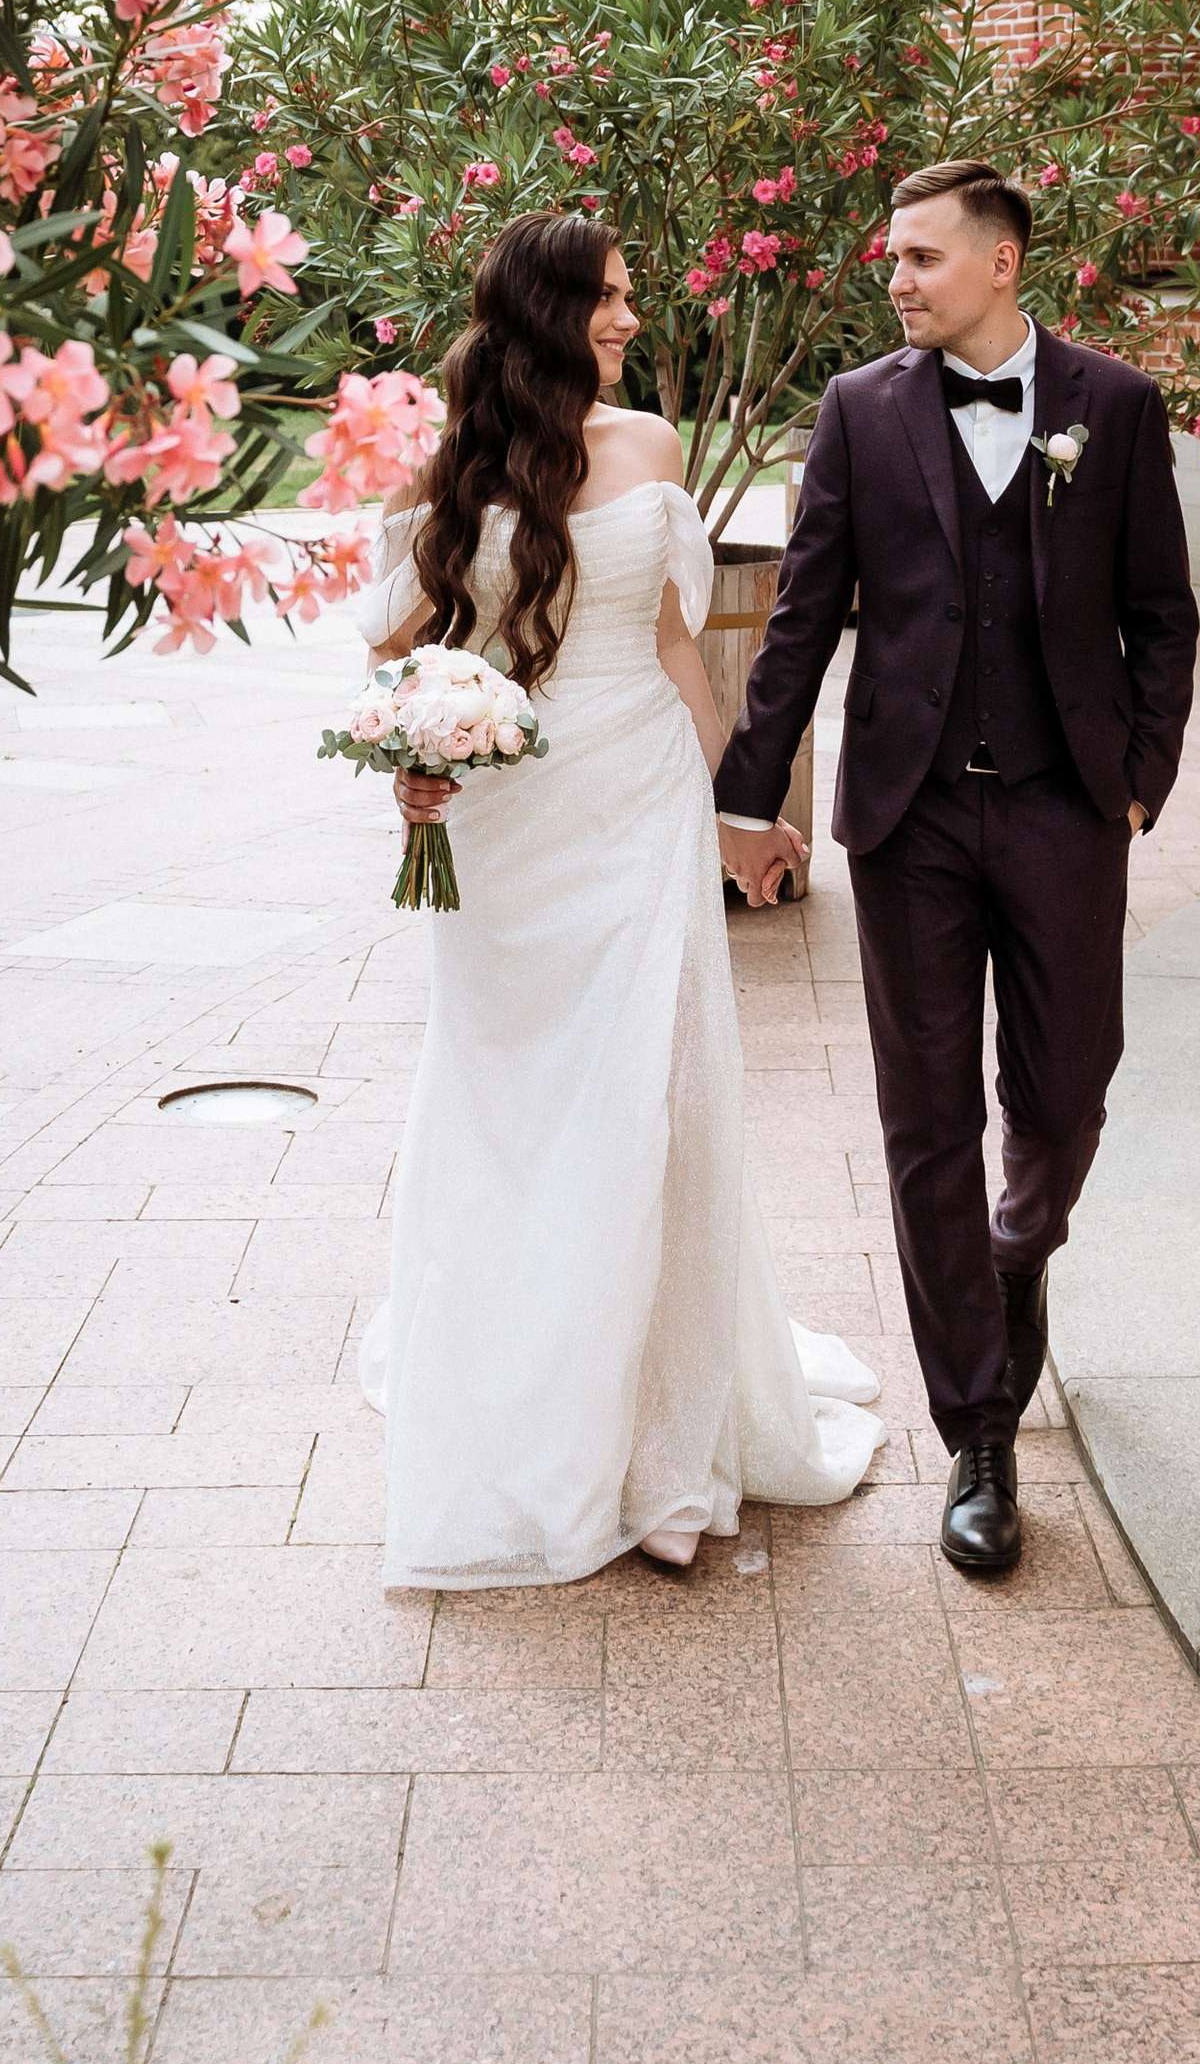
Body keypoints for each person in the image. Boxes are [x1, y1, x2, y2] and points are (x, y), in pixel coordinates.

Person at [353, 207, 884, 1589]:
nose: (634, 317)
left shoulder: (648, 448)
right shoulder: (449, 475)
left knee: (650, 1102)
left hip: (640, 805)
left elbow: (673, 650)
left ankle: (661, 1447)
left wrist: (739, 810)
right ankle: (530, 1396)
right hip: (513, 828)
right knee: (515, 1106)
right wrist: (413, 770)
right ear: (552, 308)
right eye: (613, 296)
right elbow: (407, 661)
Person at [714, 161, 1197, 1580]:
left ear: (1001, 262)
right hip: (910, 819)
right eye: (892, 260)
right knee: (926, 1121)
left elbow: (1161, 613)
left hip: (1064, 811)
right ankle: (977, 1432)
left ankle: (1018, 1249)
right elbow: (801, 619)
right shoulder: (860, 412)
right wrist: (749, 799)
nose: (899, 280)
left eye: (922, 257)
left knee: (1065, 1089)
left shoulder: (1111, 406)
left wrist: (1138, 781)